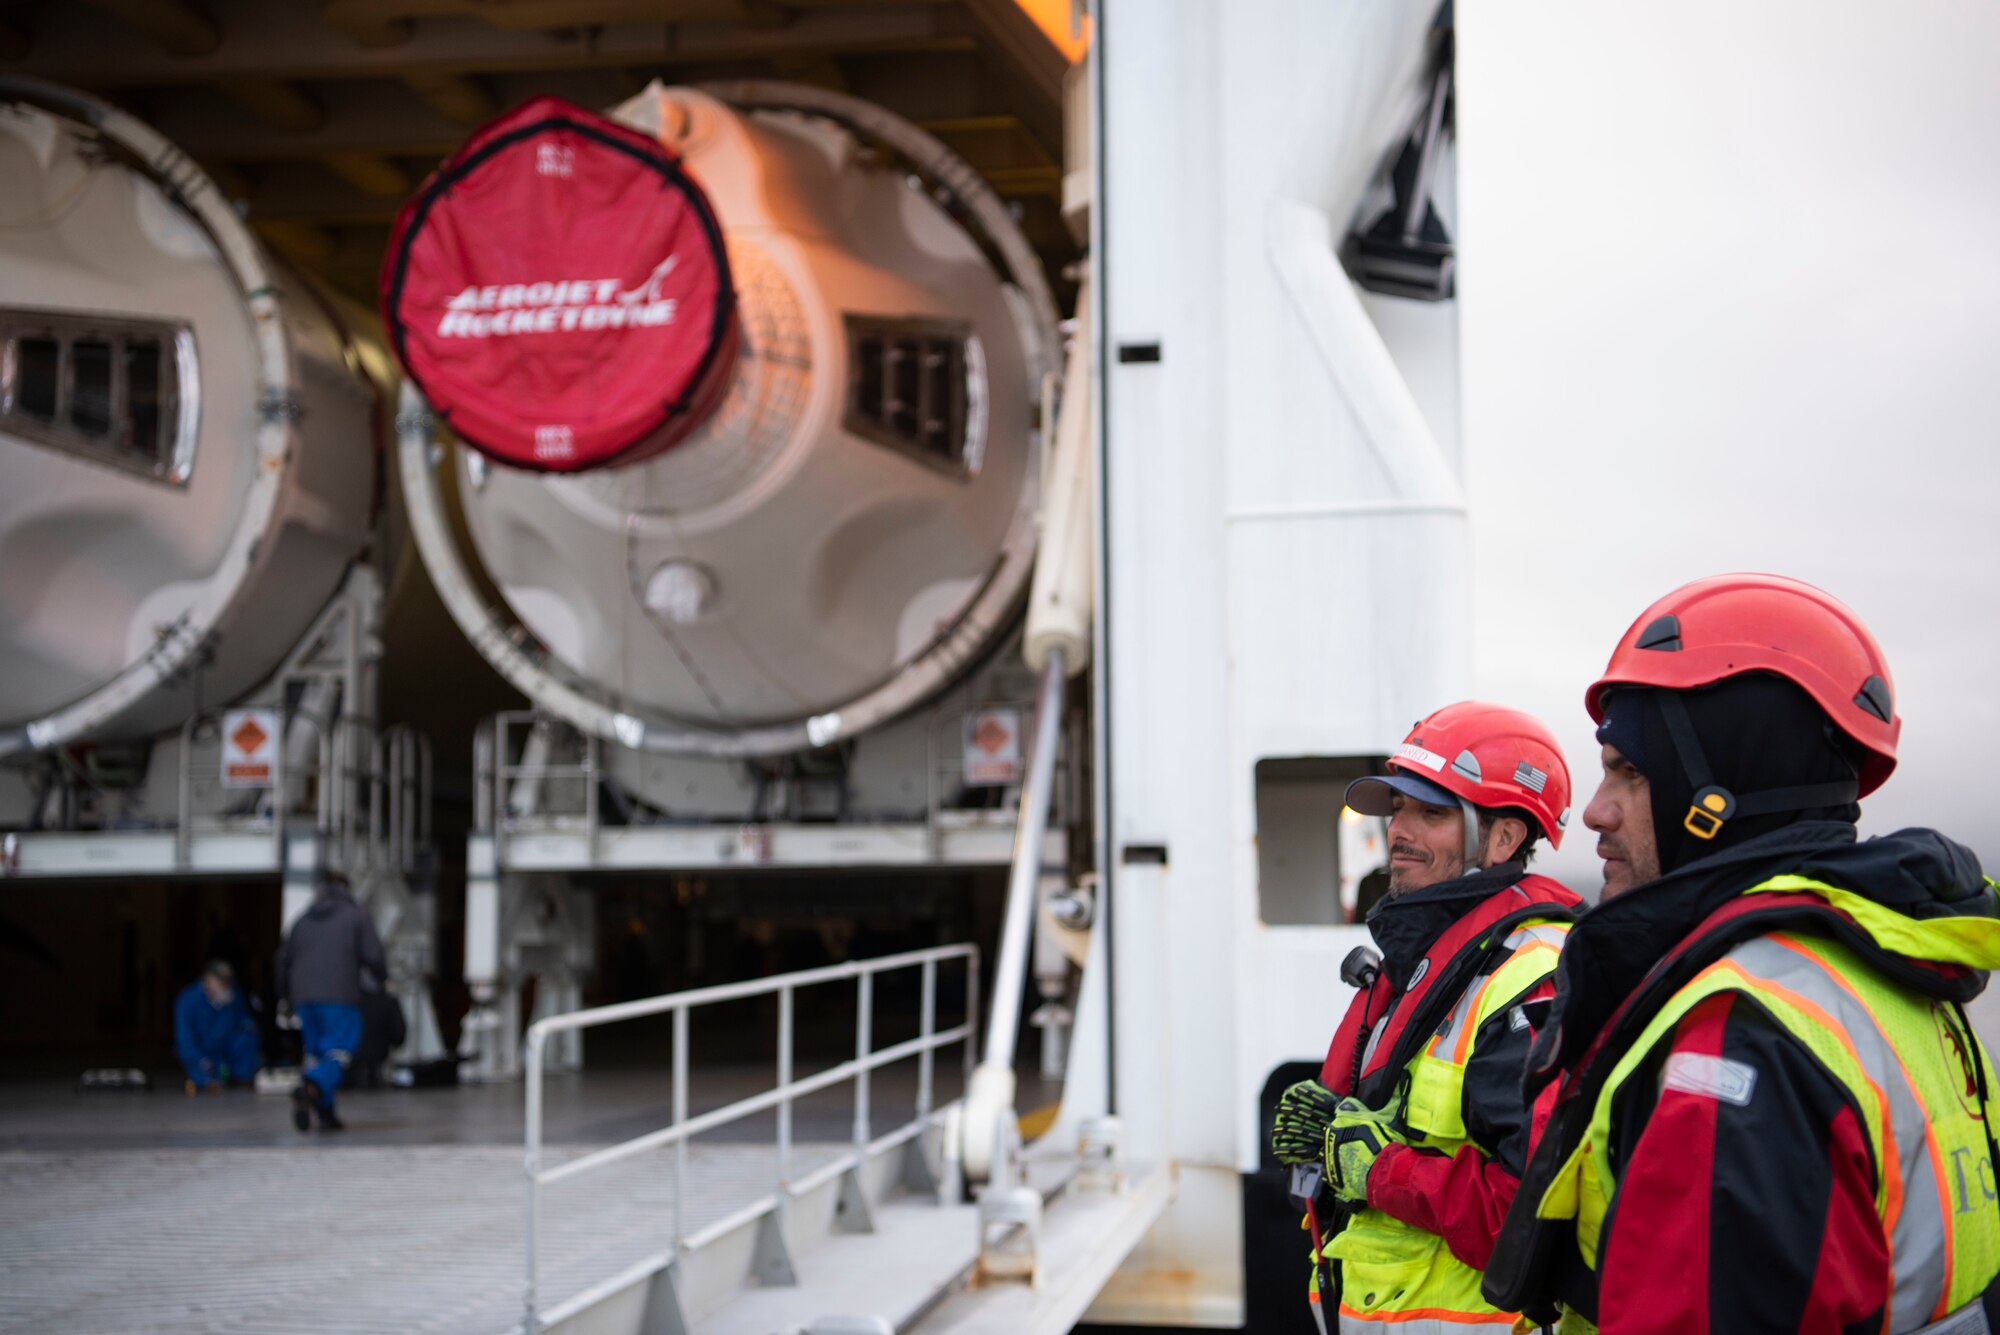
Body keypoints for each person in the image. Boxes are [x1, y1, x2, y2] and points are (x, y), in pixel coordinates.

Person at [1484, 574, 2000, 1334]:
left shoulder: (1740, 1035)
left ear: (1715, 795)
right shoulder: (1895, 981)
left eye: (1629, 770)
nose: (1594, 811)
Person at [1270, 702, 1584, 1333]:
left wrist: (1379, 1169)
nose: (1398, 830)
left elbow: (1527, 1219)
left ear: (1504, 838)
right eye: (1398, 809)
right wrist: (1328, 1127)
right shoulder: (1420, 963)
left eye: (1432, 812)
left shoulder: (1531, 979)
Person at [276, 875, 386, 1132]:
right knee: (339, 1053)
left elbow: (282, 960)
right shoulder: (355, 915)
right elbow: (374, 954)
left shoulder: (301, 920)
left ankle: (326, 1113)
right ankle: (309, 1086)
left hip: (303, 997)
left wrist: (285, 994)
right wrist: (382, 978)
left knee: (317, 1055)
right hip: (339, 996)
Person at [173, 961, 260, 1093]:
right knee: (203, 1077)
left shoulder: (232, 996)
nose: (226, 987)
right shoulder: (188, 1000)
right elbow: (184, 1039)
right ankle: (205, 1079)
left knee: (248, 1038)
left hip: (224, 1048)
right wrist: (198, 1060)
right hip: (201, 1051)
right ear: (208, 980)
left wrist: (248, 1025)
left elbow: (243, 1018)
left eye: (227, 983)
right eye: (221, 982)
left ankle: (239, 1076)